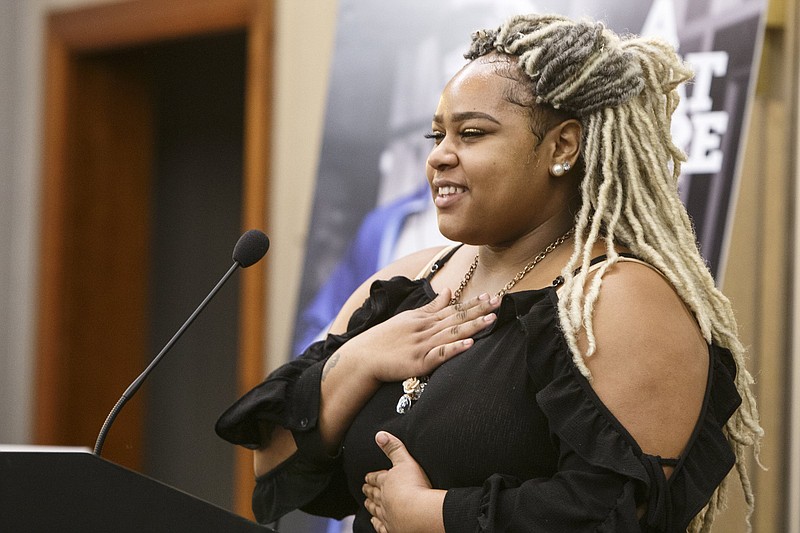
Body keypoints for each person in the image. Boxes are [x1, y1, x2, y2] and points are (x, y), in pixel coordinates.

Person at [216, 13, 763, 532]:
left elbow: (617, 514)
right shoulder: (409, 282)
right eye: (438, 137)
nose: (439, 158)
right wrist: (357, 361)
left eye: (472, 134)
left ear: (562, 147)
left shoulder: (616, 299)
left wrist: (437, 516)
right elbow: (273, 465)